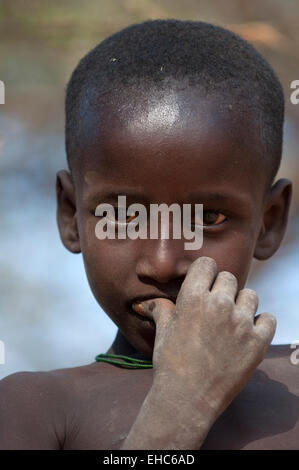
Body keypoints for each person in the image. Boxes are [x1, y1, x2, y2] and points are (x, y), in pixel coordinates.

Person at [0, 19, 297, 450]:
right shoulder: (36, 412)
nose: (162, 264)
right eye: (123, 216)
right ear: (70, 214)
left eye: (208, 218)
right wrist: (181, 409)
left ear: (268, 223)